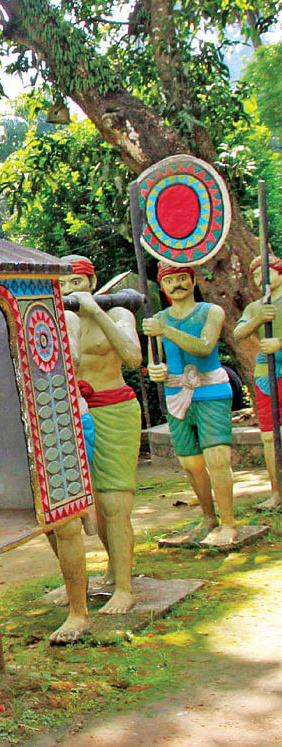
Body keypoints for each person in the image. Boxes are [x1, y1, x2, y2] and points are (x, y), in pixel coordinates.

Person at [60, 255, 142, 614]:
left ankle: (124, 588)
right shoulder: (61, 319)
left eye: (74, 283)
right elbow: (70, 363)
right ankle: (107, 572)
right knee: (80, 506)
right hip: (76, 414)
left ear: (91, 283)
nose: (68, 291)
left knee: (114, 504)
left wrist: (96, 312)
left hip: (116, 410)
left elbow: (132, 357)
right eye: (60, 285)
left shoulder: (120, 313)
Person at [142, 263, 239, 547]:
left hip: (211, 391)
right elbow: (153, 359)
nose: (177, 285)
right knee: (190, 461)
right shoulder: (157, 319)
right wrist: (154, 370)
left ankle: (229, 522)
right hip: (176, 396)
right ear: (163, 287)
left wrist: (165, 330)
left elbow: (204, 347)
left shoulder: (211, 312)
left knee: (217, 457)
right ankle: (208, 517)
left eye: (182, 278)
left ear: (193, 281)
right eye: (170, 281)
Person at [232, 254, 282, 508]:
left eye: (264, 271)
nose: (260, 278)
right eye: (254, 275)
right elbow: (239, 332)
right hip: (266, 374)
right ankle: (277, 492)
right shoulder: (255, 307)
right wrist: (259, 319)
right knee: (269, 436)